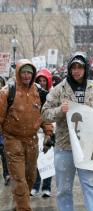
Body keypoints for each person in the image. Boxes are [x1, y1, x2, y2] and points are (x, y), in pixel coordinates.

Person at [41, 52, 93, 211]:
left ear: (85, 69)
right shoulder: (59, 89)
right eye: (73, 68)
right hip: (65, 146)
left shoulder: (92, 89)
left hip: (87, 148)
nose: (76, 71)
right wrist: (60, 110)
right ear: (69, 69)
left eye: (79, 67)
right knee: (64, 190)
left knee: (90, 184)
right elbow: (44, 113)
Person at [0, 59, 54, 211]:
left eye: (29, 72)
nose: (26, 75)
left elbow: (45, 115)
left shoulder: (39, 92)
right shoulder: (7, 92)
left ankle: (19, 204)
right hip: (12, 139)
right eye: (23, 72)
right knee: (19, 177)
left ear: (33, 74)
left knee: (30, 176)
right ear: (18, 73)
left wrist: (48, 134)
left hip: (31, 140)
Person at [31, 68, 54, 197]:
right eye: (39, 80)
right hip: (36, 131)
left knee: (47, 160)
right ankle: (35, 185)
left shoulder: (52, 94)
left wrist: (50, 131)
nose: (42, 82)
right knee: (35, 160)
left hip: (48, 131)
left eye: (44, 80)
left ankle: (47, 187)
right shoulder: (33, 93)